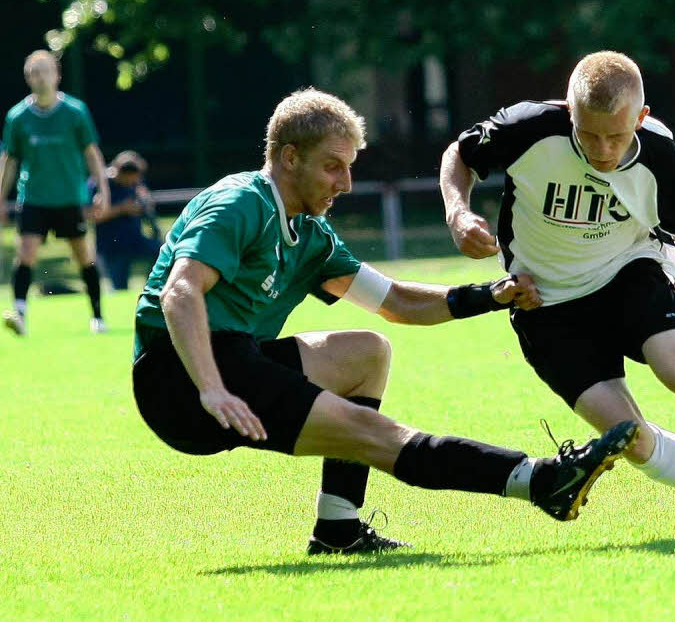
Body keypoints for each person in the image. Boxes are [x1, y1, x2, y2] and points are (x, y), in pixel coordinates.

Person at [131, 87, 638, 555]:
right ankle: (542, 480)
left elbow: (397, 302)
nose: (345, 184)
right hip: (178, 378)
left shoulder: (311, 234)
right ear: (290, 157)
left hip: (234, 361)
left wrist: (490, 295)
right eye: (333, 167)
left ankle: (338, 528)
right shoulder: (242, 203)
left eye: (349, 167)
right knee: (374, 434)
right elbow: (180, 293)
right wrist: (212, 389)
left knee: (366, 353)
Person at [440, 51, 675, 535]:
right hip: (543, 305)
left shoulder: (657, 151)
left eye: (616, 135)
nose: (602, 149)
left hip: (627, 273)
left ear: (642, 117)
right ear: (570, 112)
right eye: (588, 134)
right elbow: (459, 157)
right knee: (630, 440)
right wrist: (458, 212)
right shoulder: (528, 127)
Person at [0, 50, 110, 336]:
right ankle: (21, 313)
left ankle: (98, 317)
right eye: (34, 72)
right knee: (25, 252)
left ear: (57, 75)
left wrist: (103, 190)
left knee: (83, 255)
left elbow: (92, 153)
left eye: (45, 71)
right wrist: (0, 198)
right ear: (27, 78)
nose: (41, 77)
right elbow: (10, 161)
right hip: (33, 197)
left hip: (70, 197)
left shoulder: (75, 112)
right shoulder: (17, 116)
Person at [90, 150, 163, 290]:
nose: (134, 182)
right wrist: (121, 209)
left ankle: (151, 287)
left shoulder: (135, 183)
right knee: (120, 289)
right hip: (112, 246)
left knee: (163, 252)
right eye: (131, 178)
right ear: (120, 172)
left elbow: (145, 204)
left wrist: (145, 204)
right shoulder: (100, 183)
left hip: (135, 240)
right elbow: (91, 215)